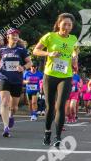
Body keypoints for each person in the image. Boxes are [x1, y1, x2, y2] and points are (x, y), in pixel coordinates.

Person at [32, 13, 79, 147]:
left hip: (65, 76)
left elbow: (75, 51)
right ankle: (47, 132)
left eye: (69, 25)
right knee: (50, 106)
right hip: (50, 75)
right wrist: (49, 53)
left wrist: (75, 57)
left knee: (60, 106)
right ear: (59, 24)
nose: (67, 27)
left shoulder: (74, 38)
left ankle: (58, 136)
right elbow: (35, 51)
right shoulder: (50, 36)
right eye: (64, 24)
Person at [0, 29, 32, 138]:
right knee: (5, 102)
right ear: (7, 36)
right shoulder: (2, 49)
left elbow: (30, 62)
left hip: (17, 80)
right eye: (13, 35)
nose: (15, 37)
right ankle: (6, 128)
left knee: (14, 107)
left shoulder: (21, 50)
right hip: (4, 78)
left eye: (16, 35)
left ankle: (11, 115)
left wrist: (23, 67)